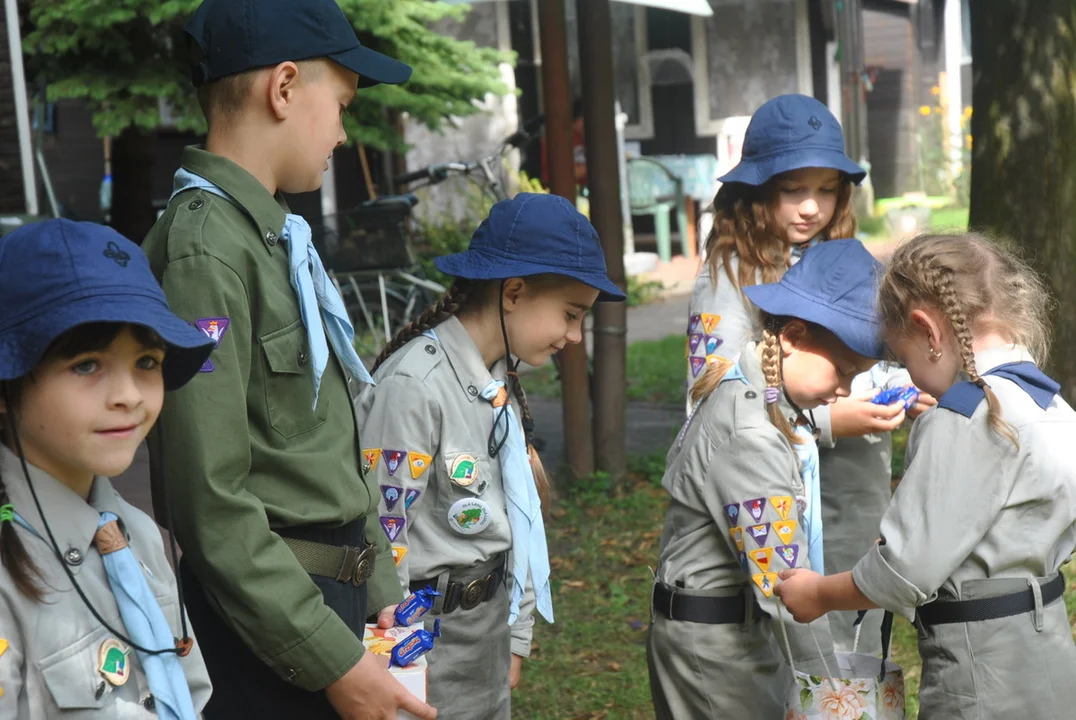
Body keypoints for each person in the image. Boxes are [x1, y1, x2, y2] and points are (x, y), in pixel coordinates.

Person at [140, 1, 436, 718]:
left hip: (328, 601)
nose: (340, 131)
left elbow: (326, 449)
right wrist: (331, 661)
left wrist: (380, 595)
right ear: (283, 87)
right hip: (269, 625)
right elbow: (210, 504)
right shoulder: (203, 251)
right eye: (339, 106)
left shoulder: (273, 240)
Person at [776, 233, 1076, 719]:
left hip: (981, 673)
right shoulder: (1052, 405)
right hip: (1051, 654)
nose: (912, 380)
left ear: (928, 331)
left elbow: (904, 571)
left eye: (905, 359)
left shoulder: (967, 417)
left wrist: (819, 594)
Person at [357, 193, 625, 718]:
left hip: (486, 629)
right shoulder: (416, 386)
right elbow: (382, 537)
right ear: (514, 292)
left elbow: (515, 522)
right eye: (571, 315)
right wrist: (401, 660)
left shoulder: (498, 378)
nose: (574, 336)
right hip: (421, 637)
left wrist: (516, 632)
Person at [685, 93, 931, 652]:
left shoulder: (840, 255)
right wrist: (825, 420)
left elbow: (868, 349)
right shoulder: (729, 275)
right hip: (782, 501)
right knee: (808, 647)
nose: (811, 208)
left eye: (826, 190)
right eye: (793, 189)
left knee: (858, 644)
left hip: (859, 497)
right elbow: (709, 402)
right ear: (755, 191)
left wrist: (904, 385)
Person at [648, 239, 885, 719]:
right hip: (715, 654)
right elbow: (786, 585)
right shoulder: (750, 435)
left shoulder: (761, 395)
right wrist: (835, 698)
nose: (846, 389)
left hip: (733, 634)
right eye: (843, 371)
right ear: (794, 335)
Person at [0, 220, 215, 718]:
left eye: (147, 361)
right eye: (86, 365)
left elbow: (190, 695)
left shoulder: (136, 534)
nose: (129, 396)